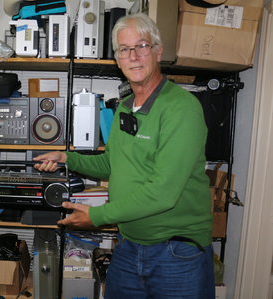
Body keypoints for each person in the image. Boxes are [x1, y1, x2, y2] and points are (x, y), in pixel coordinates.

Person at [33, 13, 215, 299]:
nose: (133, 56)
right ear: (117, 59)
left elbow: (163, 193)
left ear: (158, 51)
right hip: (130, 244)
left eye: (142, 45)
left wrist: (97, 216)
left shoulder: (181, 109)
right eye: (124, 49)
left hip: (175, 251)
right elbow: (112, 164)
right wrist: (67, 158)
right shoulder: (126, 107)